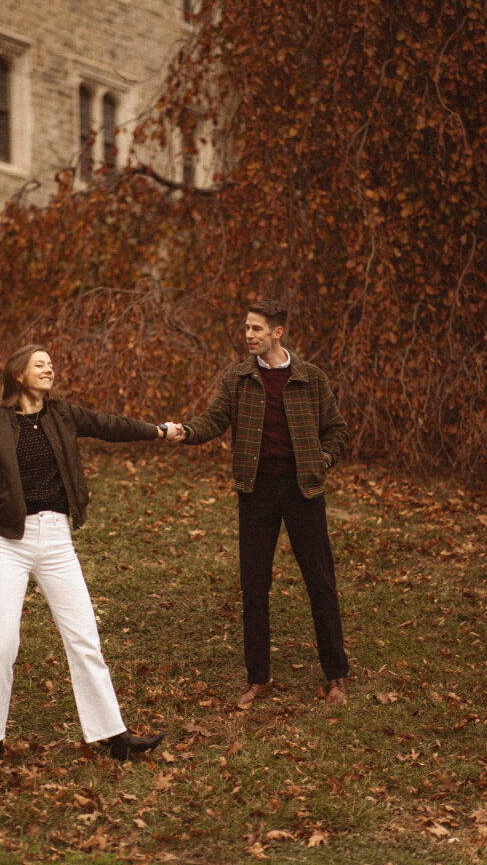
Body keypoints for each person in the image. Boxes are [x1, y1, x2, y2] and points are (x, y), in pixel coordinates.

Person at [0, 344, 181, 770]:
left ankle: (113, 736)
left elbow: (109, 425)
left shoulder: (63, 414)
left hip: (57, 541)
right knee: (2, 643)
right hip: (9, 543)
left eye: (51, 364)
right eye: (39, 364)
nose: (49, 368)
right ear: (19, 375)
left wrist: (156, 430)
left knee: (84, 638)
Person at [172, 299, 350, 708]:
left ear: (277, 333)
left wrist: (321, 462)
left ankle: (337, 675)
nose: (249, 335)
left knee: (320, 583)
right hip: (256, 491)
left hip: (304, 490)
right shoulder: (238, 379)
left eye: (256, 329)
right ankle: (257, 679)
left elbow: (336, 429)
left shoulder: (311, 378)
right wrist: (186, 431)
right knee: (254, 587)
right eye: (246, 329)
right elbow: (214, 419)